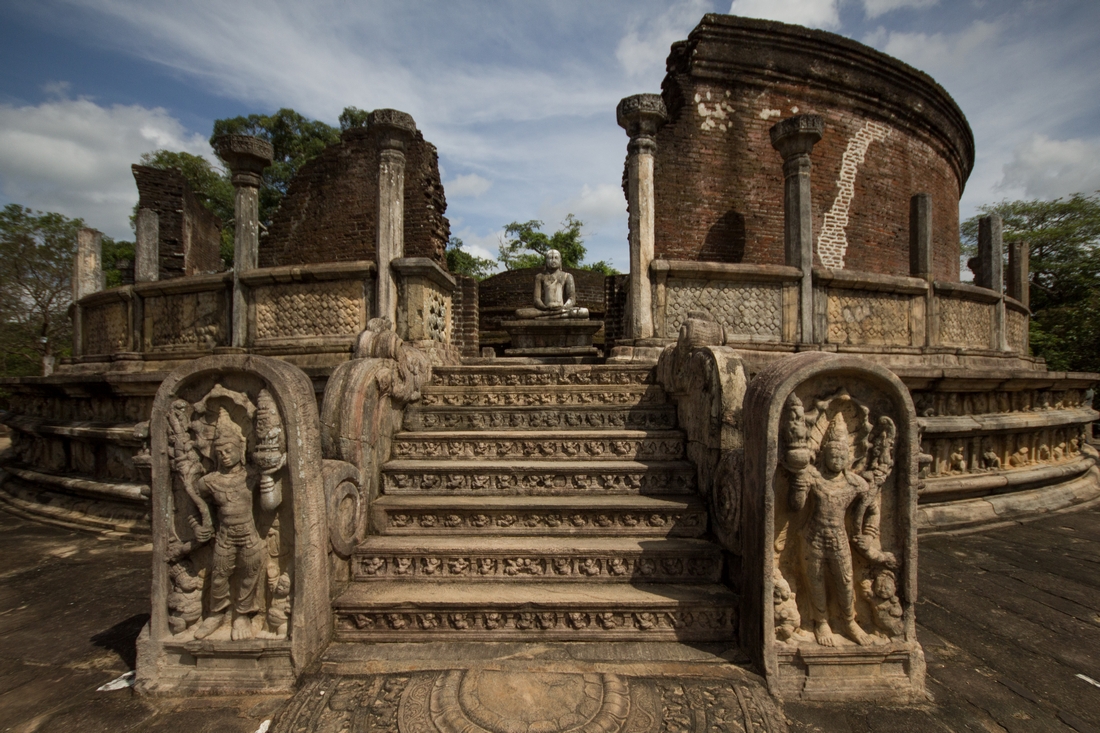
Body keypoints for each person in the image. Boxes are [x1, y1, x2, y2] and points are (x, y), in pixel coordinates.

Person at [789, 412, 872, 647]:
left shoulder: (856, 485)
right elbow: (796, 507)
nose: (837, 459)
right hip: (813, 536)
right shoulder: (814, 478)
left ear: (849, 458)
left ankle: (848, 621)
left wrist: (868, 534)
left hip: (839, 537)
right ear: (824, 455)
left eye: (841, 455)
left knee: (845, 582)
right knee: (814, 581)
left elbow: (869, 511)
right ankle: (821, 621)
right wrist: (798, 486)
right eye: (833, 454)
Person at [191, 408, 269, 641]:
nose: (225, 455)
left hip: (248, 534)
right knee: (218, 575)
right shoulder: (208, 482)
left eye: (229, 450)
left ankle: (243, 615)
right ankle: (217, 613)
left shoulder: (252, 476)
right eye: (220, 452)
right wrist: (199, 526)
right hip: (224, 535)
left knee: (249, 573)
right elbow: (194, 509)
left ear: (240, 450)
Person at [514, 249, 589, 320]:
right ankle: (555, 315)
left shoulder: (567, 276)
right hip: (545, 310)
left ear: (560, 261)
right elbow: (537, 299)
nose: (553, 260)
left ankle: (552, 315)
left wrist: (563, 307)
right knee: (519, 313)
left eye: (556, 258)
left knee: (584, 312)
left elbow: (572, 299)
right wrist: (545, 308)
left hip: (563, 309)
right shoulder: (540, 277)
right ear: (546, 261)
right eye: (550, 258)